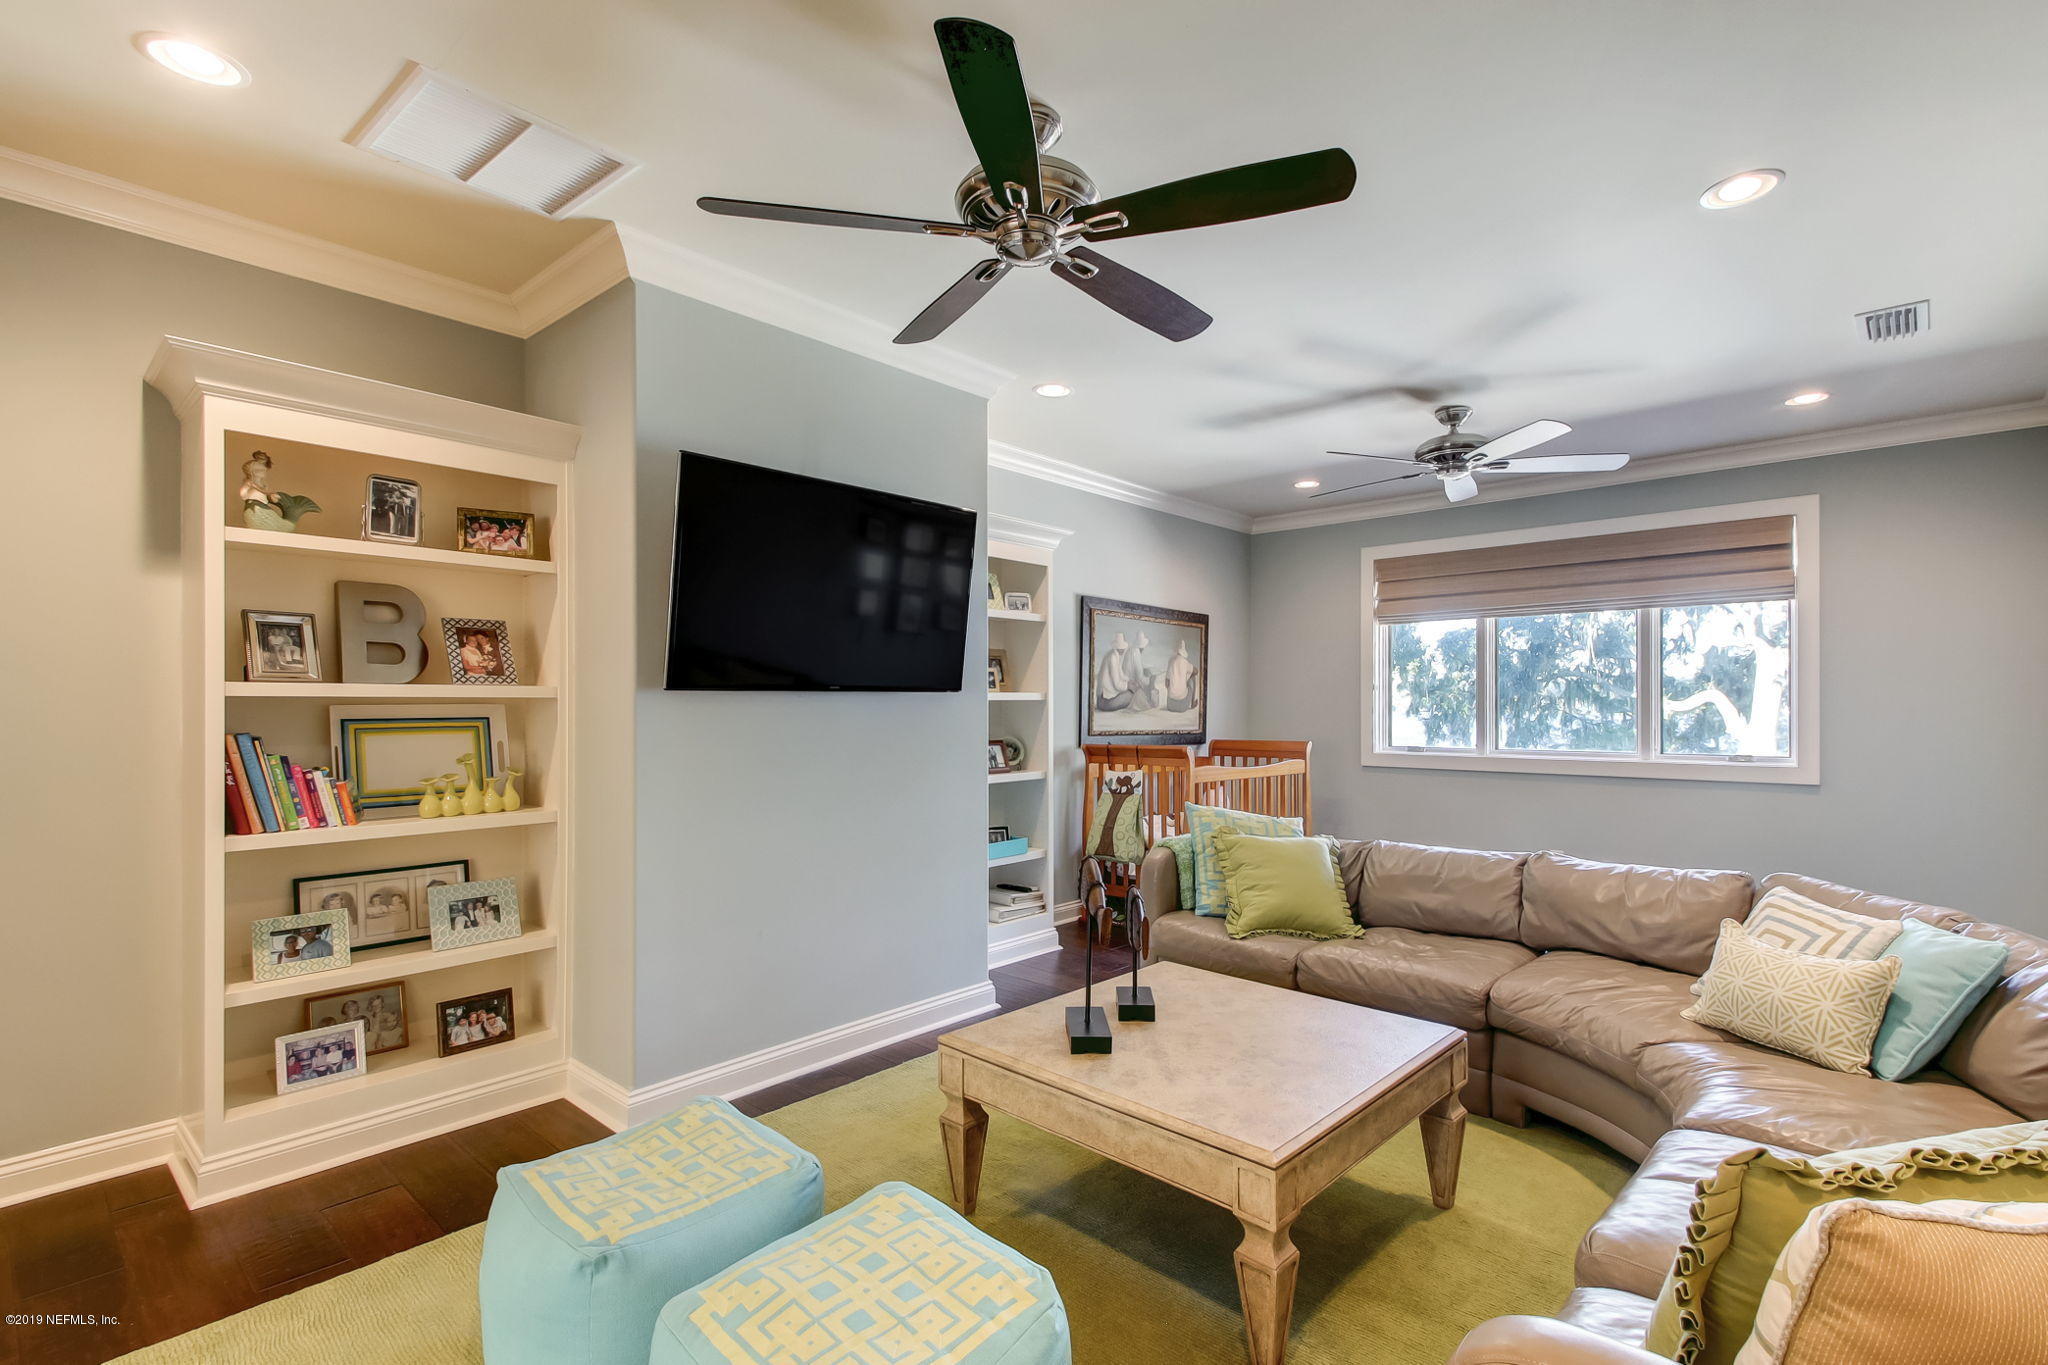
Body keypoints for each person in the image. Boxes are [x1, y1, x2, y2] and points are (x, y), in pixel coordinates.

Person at [1094, 631, 1138, 713]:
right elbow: (1117, 684)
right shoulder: (1113, 658)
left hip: (1104, 700)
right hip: (1105, 702)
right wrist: (1129, 685)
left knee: (1131, 692)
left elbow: (1121, 674)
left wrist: (1130, 681)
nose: (1123, 650)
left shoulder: (1114, 655)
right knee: (1131, 694)